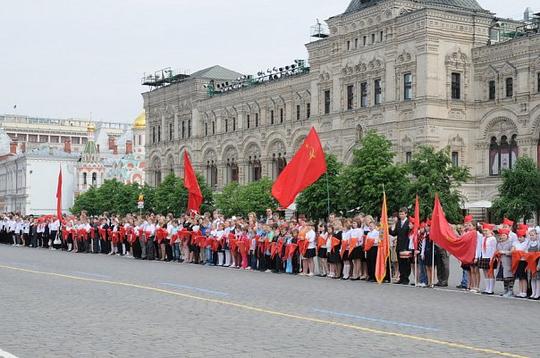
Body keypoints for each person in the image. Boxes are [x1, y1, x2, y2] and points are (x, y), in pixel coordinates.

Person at [390, 208, 411, 285]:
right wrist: (389, 229)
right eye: (400, 214)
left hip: (406, 245)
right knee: (400, 262)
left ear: (406, 214)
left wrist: (411, 228)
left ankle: (406, 278)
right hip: (399, 245)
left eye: (402, 214)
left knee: (406, 263)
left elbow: (410, 233)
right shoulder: (398, 223)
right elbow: (394, 233)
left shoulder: (409, 222)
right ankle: (401, 278)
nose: (401, 215)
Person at [479, 223, 497, 295]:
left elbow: (494, 249)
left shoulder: (493, 239)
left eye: (486, 231)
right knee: (485, 273)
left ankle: (491, 289)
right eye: (484, 231)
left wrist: (492, 258)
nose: (485, 232)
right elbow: (481, 248)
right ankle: (487, 288)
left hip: (490, 257)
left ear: (490, 231)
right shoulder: (483, 238)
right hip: (484, 257)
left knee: (490, 273)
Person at [496, 228, 514, 298]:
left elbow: (511, 252)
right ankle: (505, 290)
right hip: (501, 262)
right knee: (504, 277)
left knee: (509, 276)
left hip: (508, 262)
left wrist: (503, 252)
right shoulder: (499, 243)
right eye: (501, 235)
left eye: (504, 235)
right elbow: (497, 250)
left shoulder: (511, 243)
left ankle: (511, 291)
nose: (502, 237)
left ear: (507, 235)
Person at [512, 228, 529, 298]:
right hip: (518, 261)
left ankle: (524, 292)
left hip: (524, 261)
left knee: (524, 277)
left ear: (524, 237)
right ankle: (520, 291)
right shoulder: (516, 242)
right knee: (519, 277)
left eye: (521, 237)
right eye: (518, 237)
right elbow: (513, 250)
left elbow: (526, 252)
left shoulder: (527, 242)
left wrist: (519, 252)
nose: (519, 238)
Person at [526, 228, 540, 299]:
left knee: (537, 279)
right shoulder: (529, 243)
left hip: (537, 263)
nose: (531, 236)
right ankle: (533, 293)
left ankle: (537, 294)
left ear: (537, 235)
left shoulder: (539, 244)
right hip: (531, 263)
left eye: (533, 235)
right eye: (530, 235)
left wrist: (539, 264)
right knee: (532, 278)